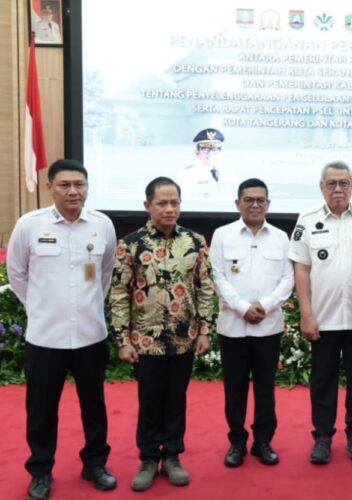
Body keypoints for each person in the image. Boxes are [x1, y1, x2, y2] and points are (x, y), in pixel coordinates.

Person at [7, 159, 118, 500]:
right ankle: (41, 471)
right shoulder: (29, 225)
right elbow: (16, 274)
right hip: (45, 337)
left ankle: (95, 464)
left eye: (79, 184)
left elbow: (105, 273)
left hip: (90, 335)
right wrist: (40, 307)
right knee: (41, 410)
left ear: (87, 188)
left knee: (94, 407)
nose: (73, 191)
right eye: (65, 184)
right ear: (50, 187)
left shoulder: (102, 225)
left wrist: (87, 306)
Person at [109, 177, 215, 492]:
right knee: (150, 401)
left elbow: (205, 288)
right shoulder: (131, 244)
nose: (169, 209)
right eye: (162, 203)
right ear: (148, 205)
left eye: (175, 203)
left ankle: (172, 457)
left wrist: (205, 331)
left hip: (184, 339)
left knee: (176, 400)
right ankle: (147, 459)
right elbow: (119, 294)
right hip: (145, 341)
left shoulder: (195, 241)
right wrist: (123, 340)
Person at [289, 161, 352, 464]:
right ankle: (323, 438)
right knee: (322, 381)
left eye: (343, 183)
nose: (337, 189)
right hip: (323, 318)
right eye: (331, 184)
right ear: (321, 187)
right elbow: (301, 268)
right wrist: (306, 313)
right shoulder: (307, 219)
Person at [209, 178, 294, 468]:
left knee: (265, 388)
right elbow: (217, 277)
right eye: (249, 200)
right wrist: (243, 308)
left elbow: (288, 279)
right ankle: (236, 442)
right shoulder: (222, 235)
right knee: (234, 389)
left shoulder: (281, 237)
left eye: (261, 200)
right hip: (233, 327)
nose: (255, 205)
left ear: (268, 204)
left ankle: (263, 441)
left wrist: (265, 306)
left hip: (268, 327)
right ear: (238, 203)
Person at [177, 128, 237, 200]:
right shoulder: (187, 174)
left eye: (215, 150)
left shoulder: (229, 173)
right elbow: (184, 201)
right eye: (206, 150)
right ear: (197, 152)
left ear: (221, 152)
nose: (211, 154)